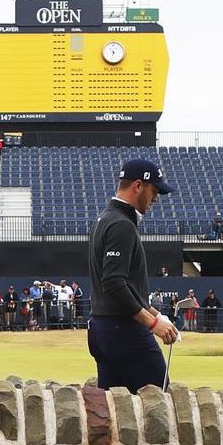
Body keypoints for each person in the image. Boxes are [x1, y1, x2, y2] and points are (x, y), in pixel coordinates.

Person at [87, 158, 178, 393]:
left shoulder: (103, 219)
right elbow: (114, 283)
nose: (156, 197)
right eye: (154, 190)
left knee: (113, 412)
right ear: (139, 186)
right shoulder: (122, 225)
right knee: (157, 403)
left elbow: (123, 286)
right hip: (124, 331)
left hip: (101, 329)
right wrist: (153, 323)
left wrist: (156, 313)